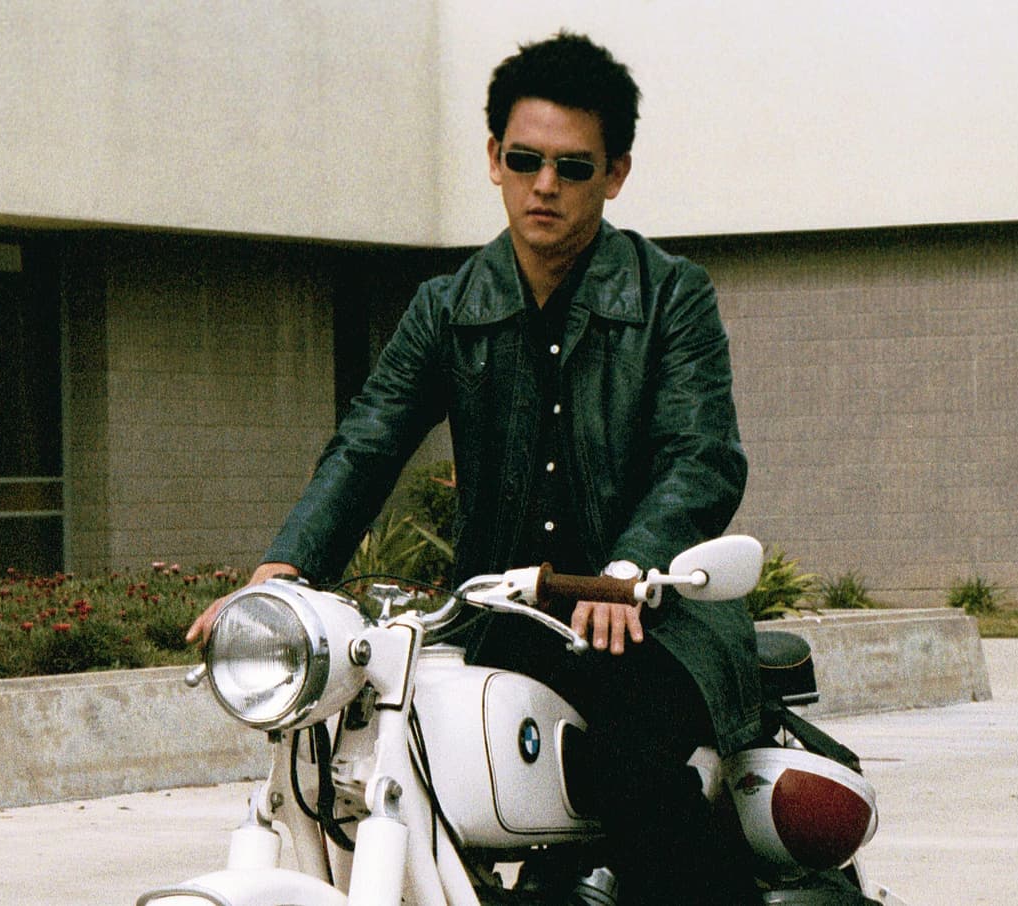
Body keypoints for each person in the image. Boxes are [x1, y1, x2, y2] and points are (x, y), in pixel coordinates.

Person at [189, 31, 760, 906]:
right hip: (501, 623)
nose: (545, 185)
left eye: (573, 167)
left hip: (653, 626)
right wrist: (286, 570)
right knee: (371, 754)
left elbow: (701, 457)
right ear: (494, 159)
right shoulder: (447, 308)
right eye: (525, 160)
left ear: (615, 174)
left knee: (632, 772)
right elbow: (368, 442)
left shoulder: (670, 296)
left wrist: (630, 569)